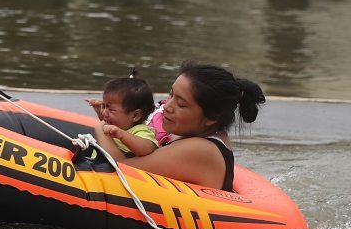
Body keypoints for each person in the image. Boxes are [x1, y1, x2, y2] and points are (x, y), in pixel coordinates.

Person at [93, 62, 266, 191]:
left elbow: (118, 167)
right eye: (171, 95)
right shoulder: (193, 134)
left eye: (181, 104)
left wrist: (103, 127)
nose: (167, 106)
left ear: (211, 117)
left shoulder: (201, 150)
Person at [85, 70, 158, 157]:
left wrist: (122, 135)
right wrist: (98, 111)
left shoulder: (140, 131)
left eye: (111, 109)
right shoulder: (118, 124)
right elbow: (106, 121)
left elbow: (147, 148)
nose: (104, 112)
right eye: (103, 106)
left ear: (136, 115)